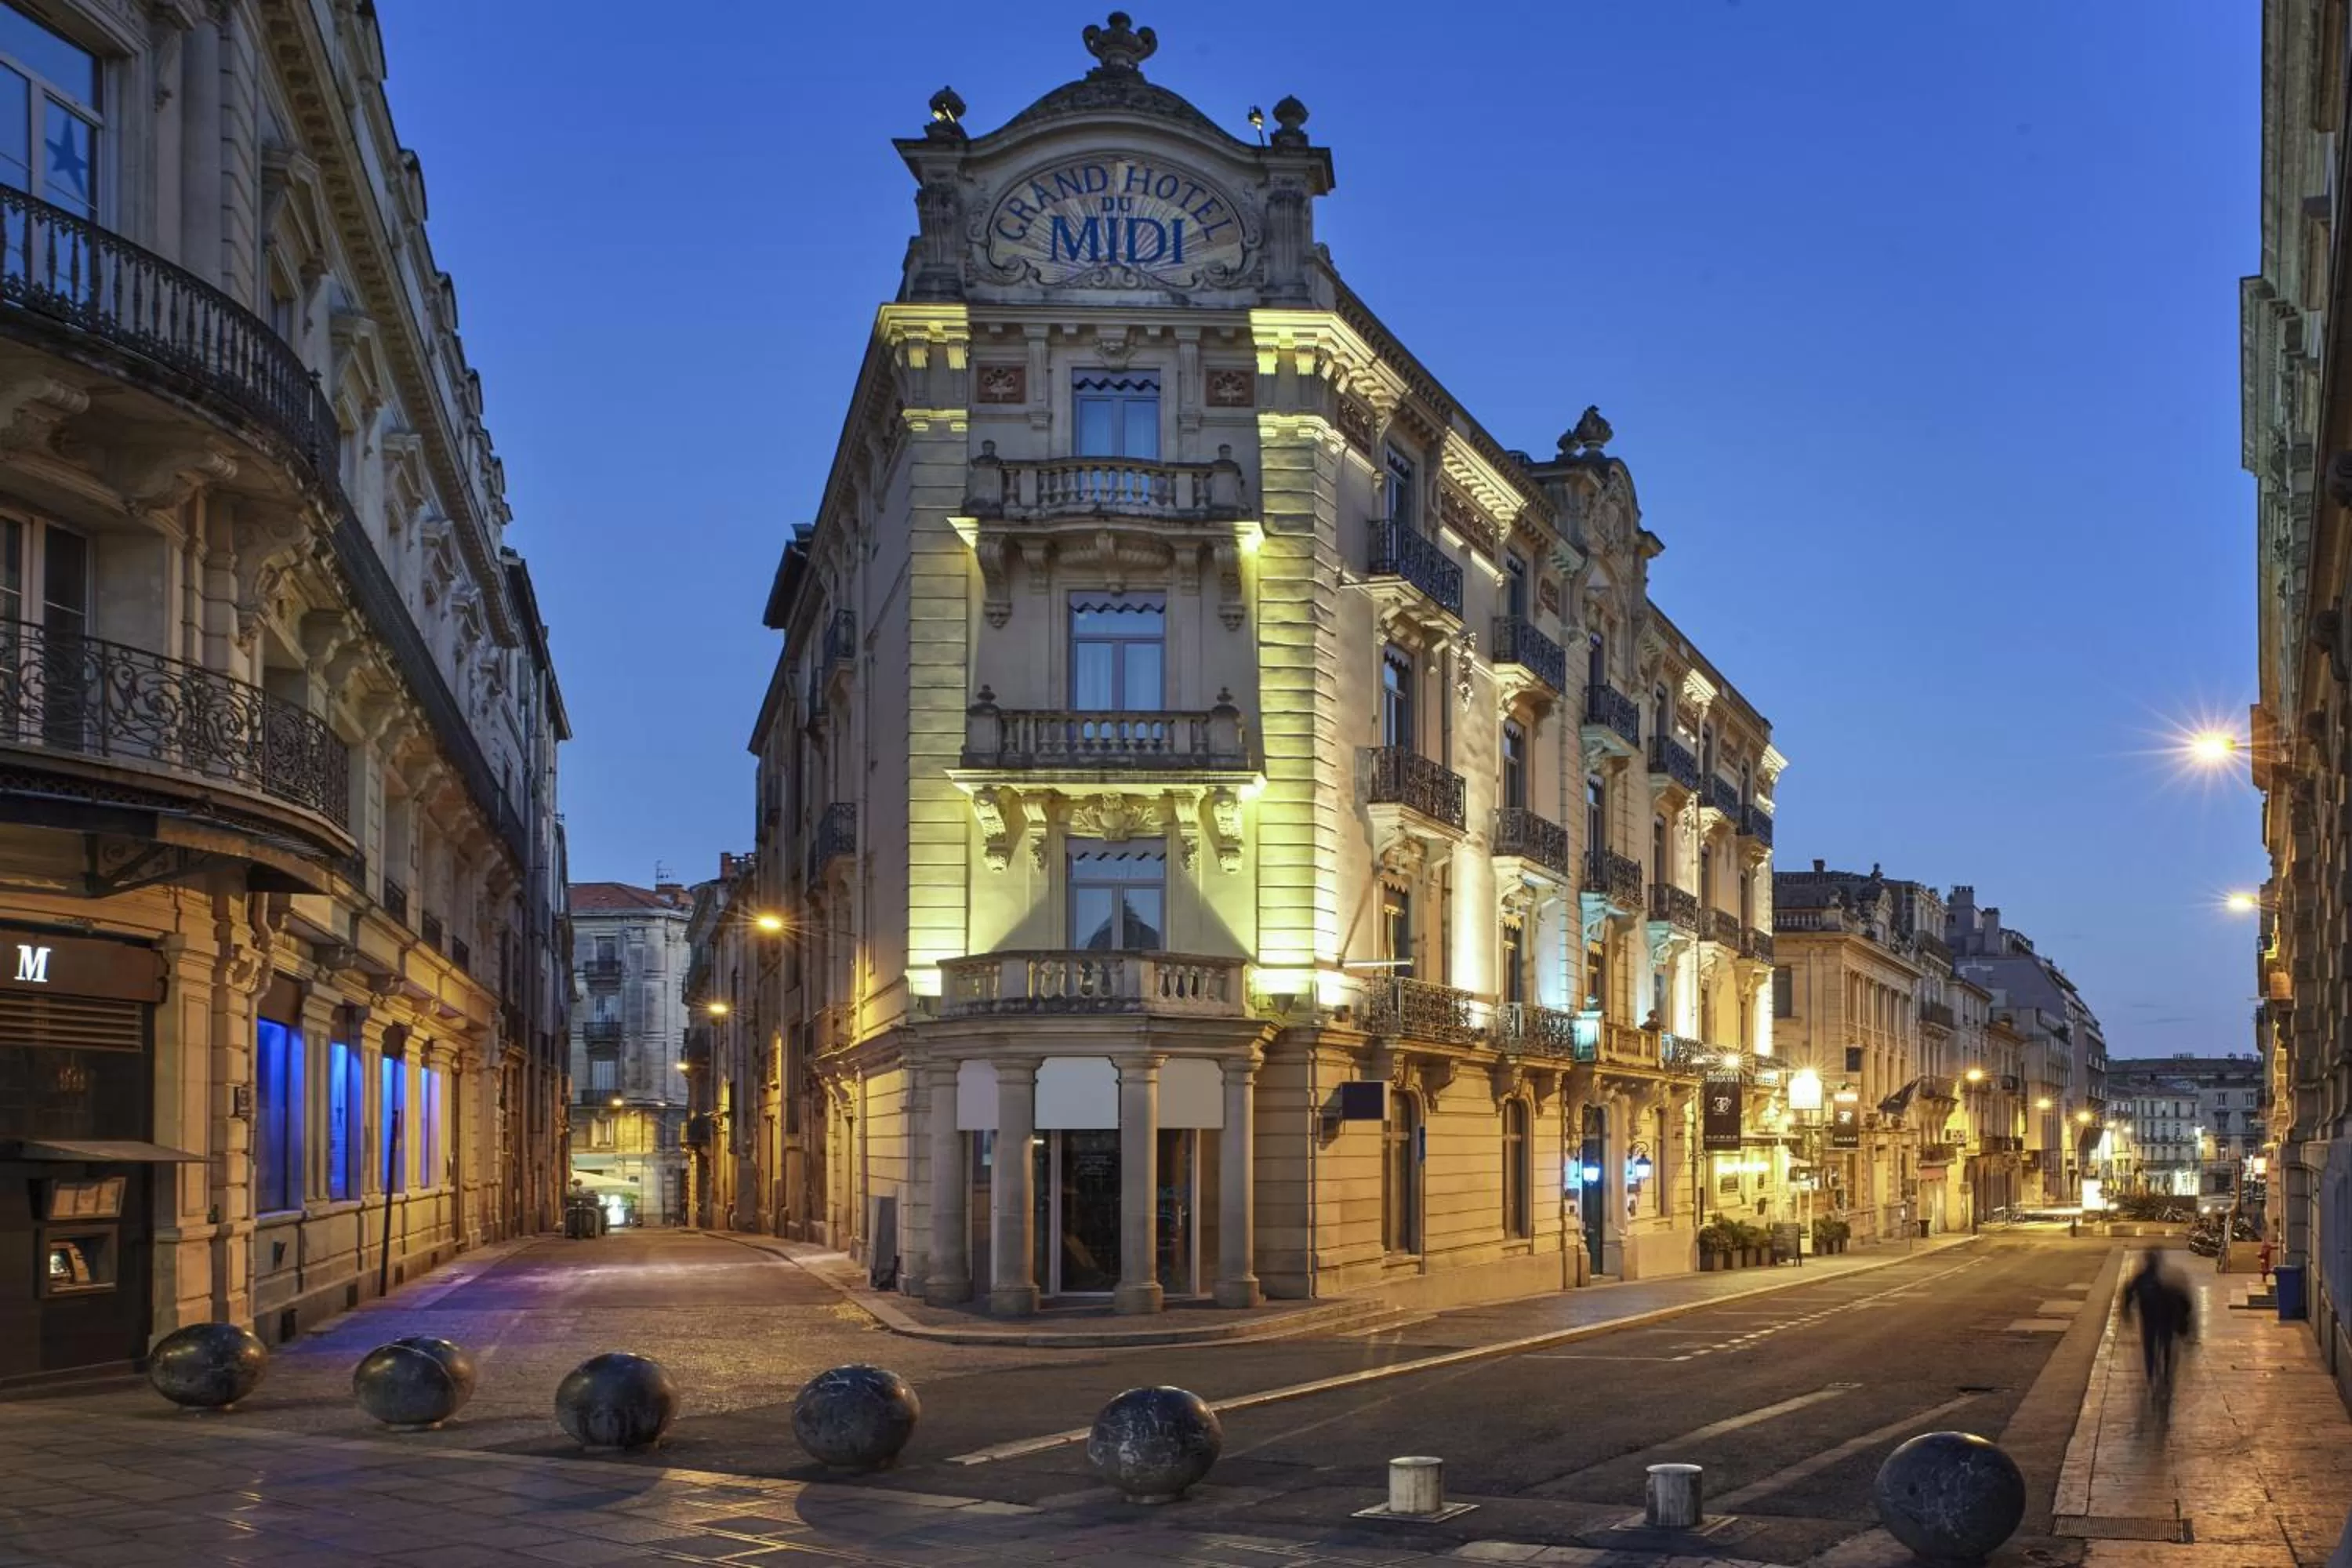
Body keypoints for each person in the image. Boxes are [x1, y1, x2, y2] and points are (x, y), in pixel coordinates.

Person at [2121, 1247, 2194, 1396]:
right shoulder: (2166, 1279)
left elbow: (2129, 1294)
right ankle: (2163, 1375)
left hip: (2150, 1320)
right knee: (2163, 1347)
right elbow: (2184, 1301)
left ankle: (2153, 1375)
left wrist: (2127, 1313)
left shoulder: (2142, 1278)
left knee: (2152, 1349)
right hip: (2163, 1320)